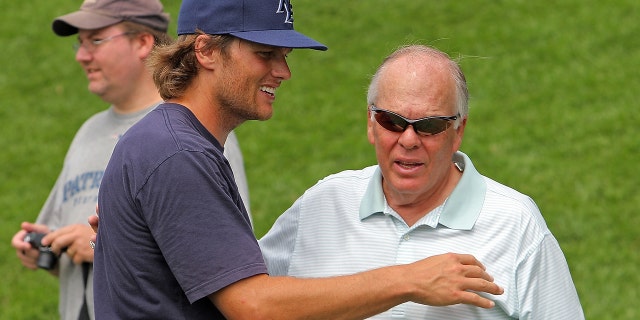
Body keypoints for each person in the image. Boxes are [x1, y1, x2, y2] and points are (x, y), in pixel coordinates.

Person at [92, 0, 504, 318]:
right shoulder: (178, 154)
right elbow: (255, 307)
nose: (283, 71)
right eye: (265, 53)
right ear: (206, 50)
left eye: (284, 54)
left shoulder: (171, 144)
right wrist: (409, 279)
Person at [258, 45, 585, 319]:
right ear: (371, 124)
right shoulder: (322, 203)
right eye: (392, 121)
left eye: (429, 125)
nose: (409, 140)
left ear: (458, 131)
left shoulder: (515, 224)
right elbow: (241, 297)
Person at [10, 0, 249, 319]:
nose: (82, 55)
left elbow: (226, 266)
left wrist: (104, 248)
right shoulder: (88, 132)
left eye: (95, 40)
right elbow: (74, 253)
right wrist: (48, 248)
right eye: (79, 43)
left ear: (142, 43)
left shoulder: (192, 137)